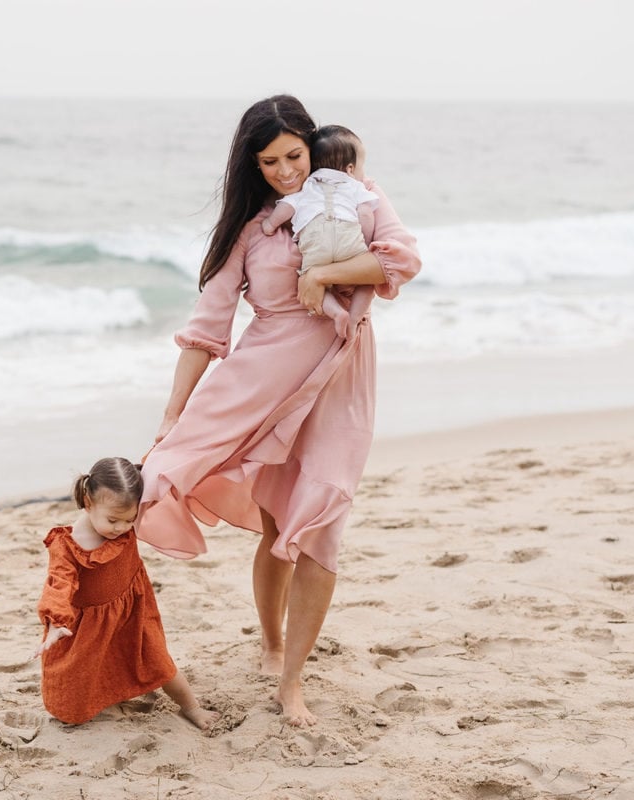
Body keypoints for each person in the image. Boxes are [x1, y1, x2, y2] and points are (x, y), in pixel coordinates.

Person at [137, 95, 421, 726]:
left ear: (312, 145)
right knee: (251, 519)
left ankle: (292, 681)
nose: (286, 171)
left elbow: (401, 258)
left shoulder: (357, 194)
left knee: (320, 526)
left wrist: (321, 277)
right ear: (253, 166)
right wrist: (172, 415)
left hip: (340, 379)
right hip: (262, 383)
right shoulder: (252, 229)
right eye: (269, 162)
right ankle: (269, 643)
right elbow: (207, 328)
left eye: (294, 155)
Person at [34, 456, 219, 730]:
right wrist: (55, 622)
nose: (121, 528)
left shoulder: (123, 520)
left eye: (129, 520)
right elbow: (59, 582)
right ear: (88, 502)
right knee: (72, 702)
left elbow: (161, 477)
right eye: (113, 520)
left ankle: (192, 706)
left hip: (133, 611)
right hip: (89, 626)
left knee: (158, 661)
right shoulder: (67, 544)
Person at [260, 125, 378, 337]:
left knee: (309, 280)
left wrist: (270, 224)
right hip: (349, 240)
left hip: (316, 243)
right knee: (367, 280)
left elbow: (287, 206)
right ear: (350, 169)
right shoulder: (355, 186)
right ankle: (353, 318)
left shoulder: (307, 186)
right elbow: (366, 214)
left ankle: (336, 314)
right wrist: (366, 243)